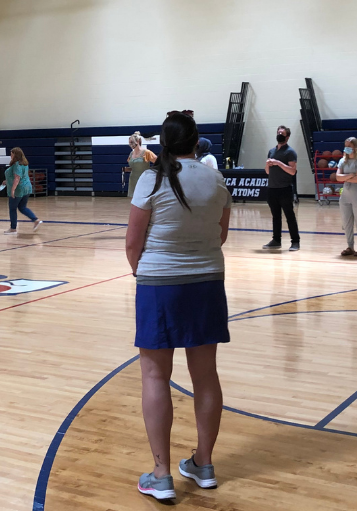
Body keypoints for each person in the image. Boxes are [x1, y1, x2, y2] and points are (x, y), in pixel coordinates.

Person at [126, 111, 231, 501]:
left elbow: (133, 243)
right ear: (195, 141)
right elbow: (220, 234)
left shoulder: (151, 179)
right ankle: (203, 464)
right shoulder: (214, 177)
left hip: (160, 285)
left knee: (155, 375)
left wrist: (147, 274)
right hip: (207, 282)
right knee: (206, 375)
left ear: (164, 142)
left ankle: (161, 474)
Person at [263, 125, 300, 251]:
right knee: (275, 216)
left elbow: (292, 171)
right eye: (278, 132)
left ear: (287, 137)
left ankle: (295, 241)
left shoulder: (290, 152)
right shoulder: (271, 151)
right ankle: (276, 240)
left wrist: (278, 163)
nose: (279, 134)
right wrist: (267, 164)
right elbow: (267, 172)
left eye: (282, 133)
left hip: (284, 189)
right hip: (272, 188)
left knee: (289, 216)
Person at [334, 137, 357, 257]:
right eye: (346, 146)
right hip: (345, 195)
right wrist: (350, 175)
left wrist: (346, 177)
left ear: (355, 147)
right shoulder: (342, 161)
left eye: (349, 146)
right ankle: (350, 246)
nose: (347, 148)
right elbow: (337, 177)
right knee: (347, 222)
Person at [3, 147, 43, 234]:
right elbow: (19, 176)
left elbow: (17, 178)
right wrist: (7, 181)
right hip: (27, 188)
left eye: (12, 154)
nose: (10, 155)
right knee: (22, 207)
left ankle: (13, 228)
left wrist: (12, 190)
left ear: (15, 155)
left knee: (12, 208)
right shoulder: (24, 164)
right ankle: (35, 220)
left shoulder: (17, 164)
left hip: (19, 189)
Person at [127, 131, 157, 198]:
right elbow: (132, 167)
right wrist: (126, 169)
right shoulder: (131, 154)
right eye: (129, 143)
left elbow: (158, 162)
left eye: (132, 142)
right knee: (134, 200)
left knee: (144, 199)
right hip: (133, 179)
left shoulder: (146, 152)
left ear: (137, 141)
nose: (130, 144)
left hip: (144, 180)